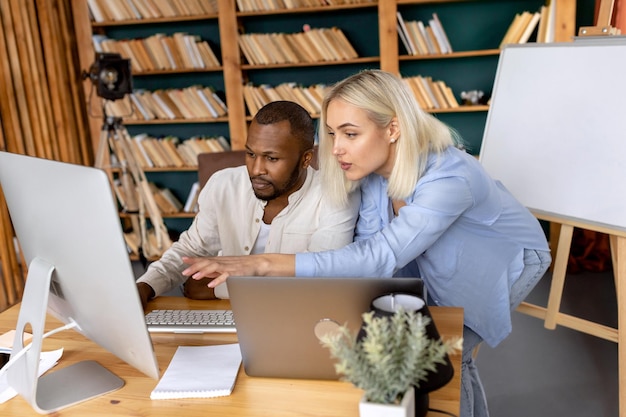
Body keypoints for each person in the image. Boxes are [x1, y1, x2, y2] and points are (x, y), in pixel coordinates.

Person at [180, 70, 552, 417]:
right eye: (331, 134)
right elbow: (367, 256)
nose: (337, 149)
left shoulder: (451, 177)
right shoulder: (372, 175)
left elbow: (378, 257)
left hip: (504, 255)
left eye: (350, 134)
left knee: (449, 352)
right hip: (434, 259)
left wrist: (262, 264)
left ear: (392, 128)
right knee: (431, 344)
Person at [136, 100, 360, 308]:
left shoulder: (336, 195)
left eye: (272, 158)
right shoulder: (223, 184)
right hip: (226, 316)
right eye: (251, 154)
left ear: (306, 159)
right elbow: (191, 250)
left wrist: (217, 289)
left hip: (301, 316)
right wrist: (144, 287)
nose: (256, 169)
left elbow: (322, 279)